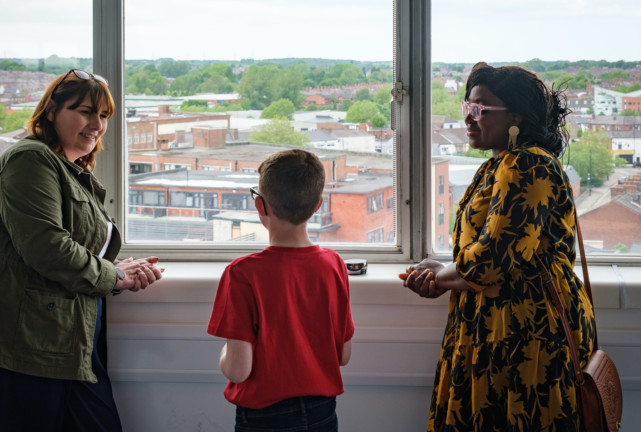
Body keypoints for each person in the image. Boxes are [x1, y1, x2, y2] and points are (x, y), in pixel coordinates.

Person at [0, 69, 164, 432]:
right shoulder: (29, 160)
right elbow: (47, 248)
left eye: (103, 116)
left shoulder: (70, 171)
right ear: (51, 111)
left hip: (66, 346)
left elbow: (67, 249)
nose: (97, 125)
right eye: (85, 111)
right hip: (15, 349)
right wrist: (113, 275)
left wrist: (116, 273)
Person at [402, 62, 596, 431]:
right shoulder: (498, 164)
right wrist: (440, 265)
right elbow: (498, 245)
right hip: (500, 327)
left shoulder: (526, 164)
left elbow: (494, 260)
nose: (469, 119)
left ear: (516, 117)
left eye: (479, 109)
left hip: (524, 335)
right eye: (466, 108)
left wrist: (440, 278)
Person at [207, 148, 354, 432]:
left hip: (265, 417)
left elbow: (238, 371)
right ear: (318, 205)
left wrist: (225, 352)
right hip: (322, 412)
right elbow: (342, 356)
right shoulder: (334, 264)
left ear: (261, 206)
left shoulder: (242, 273)